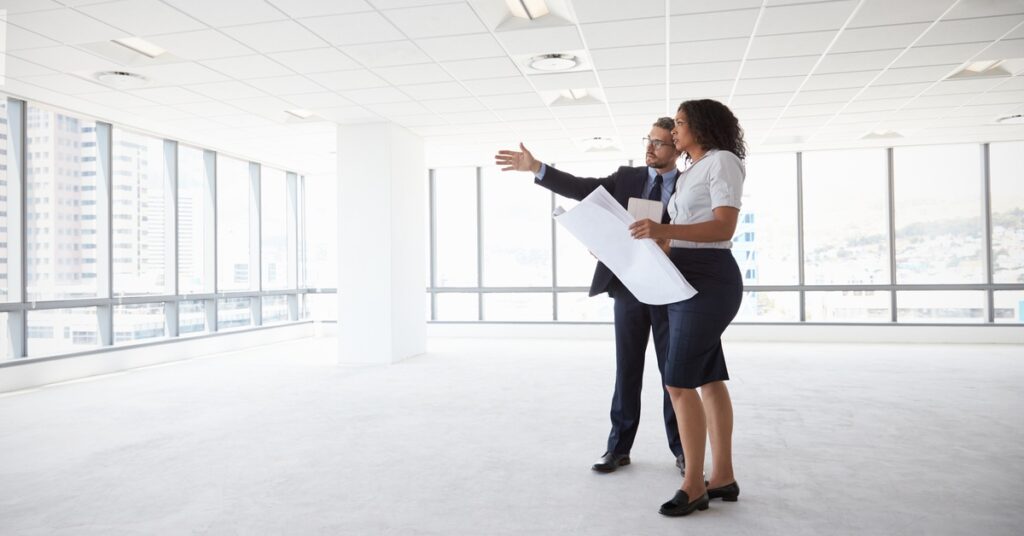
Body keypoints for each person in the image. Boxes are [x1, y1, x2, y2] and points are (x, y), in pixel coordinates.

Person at [494, 118, 686, 475]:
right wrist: (536, 168)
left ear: (677, 149)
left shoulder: (688, 185)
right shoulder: (627, 177)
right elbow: (581, 188)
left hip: (668, 289)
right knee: (627, 369)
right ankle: (618, 448)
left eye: (659, 143)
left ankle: (682, 451)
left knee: (672, 374)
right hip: (627, 286)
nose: (650, 147)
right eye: (648, 140)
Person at [628, 99, 746, 517]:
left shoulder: (723, 162)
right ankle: (723, 477)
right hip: (681, 276)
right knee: (708, 378)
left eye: (680, 123)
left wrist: (664, 229)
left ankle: (694, 485)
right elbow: (677, 236)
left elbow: (723, 226)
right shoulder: (690, 171)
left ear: (702, 125)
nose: (674, 131)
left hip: (710, 278)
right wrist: (642, 243)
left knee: (677, 382)